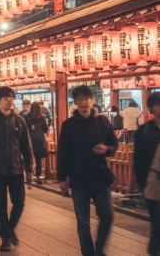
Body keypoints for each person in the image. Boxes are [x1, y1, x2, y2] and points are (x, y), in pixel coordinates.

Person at [57, 85, 117, 256]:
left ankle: (99, 249)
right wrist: (62, 177)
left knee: (108, 215)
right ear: (75, 103)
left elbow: (114, 144)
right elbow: (63, 152)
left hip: (100, 177)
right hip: (78, 179)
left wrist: (106, 148)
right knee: (83, 223)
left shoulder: (102, 121)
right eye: (80, 100)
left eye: (87, 99)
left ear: (92, 101)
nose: (84, 103)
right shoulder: (68, 125)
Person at [0, 86, 34, 253]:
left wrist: (30, 167)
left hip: (16, 168)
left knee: (19, 202)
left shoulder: (20, 121)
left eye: (11, 97)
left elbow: (26, 146)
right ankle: (5, 238)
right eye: (5, 98)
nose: (9, 100)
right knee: (1, 206)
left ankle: (9, 229)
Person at [134, 93, 160, 256]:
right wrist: (142, 184)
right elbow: (138, 160)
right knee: (156, 219)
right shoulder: (144, 131)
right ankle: (153, 248)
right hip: (152, 182)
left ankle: (153, 248)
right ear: (151, 108)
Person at [24, 102, 49, 185]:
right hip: (39, 140)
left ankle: (29, 175)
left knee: (29, 158)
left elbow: (24, 128)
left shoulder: (27, 117)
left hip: (29, 140)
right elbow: (45, 129)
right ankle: (38, 176)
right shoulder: (42, 118)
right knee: (38, 160)